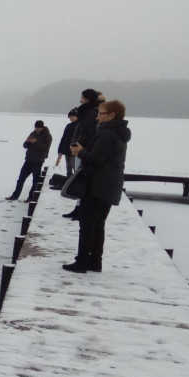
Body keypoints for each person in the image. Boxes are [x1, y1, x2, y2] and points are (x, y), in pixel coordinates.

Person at [62, 100, 131, 274]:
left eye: (101, 113)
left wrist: (80, 152)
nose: (97, 117)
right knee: (98, 225)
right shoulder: (119, 133)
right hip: (109, 186)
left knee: (87, 225)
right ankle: (94, 261)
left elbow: (96, 158)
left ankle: (82, 262)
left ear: (111, 115)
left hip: (97, 186)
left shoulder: (107, 134)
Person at [63, 88, 101, 219]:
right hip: (81, 149)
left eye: (82, 97)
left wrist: (78, 145)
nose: (80, 100)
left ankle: (81, 210)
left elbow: (90, 133)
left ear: (87, 98)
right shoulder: (88, 112)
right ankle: (78, 209)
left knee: (82, 180)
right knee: (80, 179)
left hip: (84, 150)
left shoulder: (91, 113)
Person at [6, 120, 52, 201]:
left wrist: (36, 142)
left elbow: (45, 148)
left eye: (38, 128)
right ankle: (15, 195)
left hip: (38, 161)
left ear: (42, 127)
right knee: (21, 179)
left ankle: (31, 197)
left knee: (35, 181)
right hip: (28, 160)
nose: (37, 129)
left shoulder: (47, 136)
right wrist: (27, 141)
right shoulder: (32, 133)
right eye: (36, 127)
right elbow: (25, 146)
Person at [54, 108, 79, 178]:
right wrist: (60, 149)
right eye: (69, 117)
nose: (70, 118)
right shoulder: (68, 126)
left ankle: (76, 178)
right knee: (68, 165)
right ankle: (69, 177)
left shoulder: (80, 126)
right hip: (67, 149)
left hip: (75, 149)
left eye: (71, 117)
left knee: (75, 165)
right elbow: (64, 138)